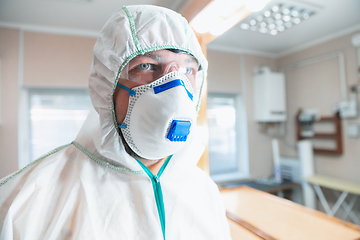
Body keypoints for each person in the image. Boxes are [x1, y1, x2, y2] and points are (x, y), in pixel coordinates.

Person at [0, 5, 232, 240]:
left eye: (188, 69)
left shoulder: (204, 192)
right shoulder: (24, 203)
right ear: (105, 84)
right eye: (146, 66)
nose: (176, 88)